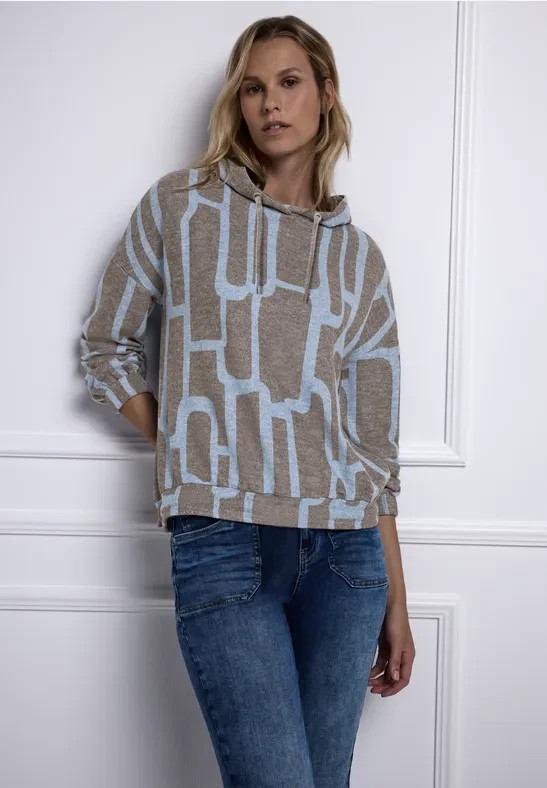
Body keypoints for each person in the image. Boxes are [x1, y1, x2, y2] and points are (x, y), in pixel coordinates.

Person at [79, 14, 415, 788]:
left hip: (345, 556)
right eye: (253, 88)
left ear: (325, 93)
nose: (270, 103)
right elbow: (106, 346)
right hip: (222, 539)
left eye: (289, 83)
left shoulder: (360, 259)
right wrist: (184, 439)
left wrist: (398, 600)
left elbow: (374, 453)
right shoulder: (181, 207)